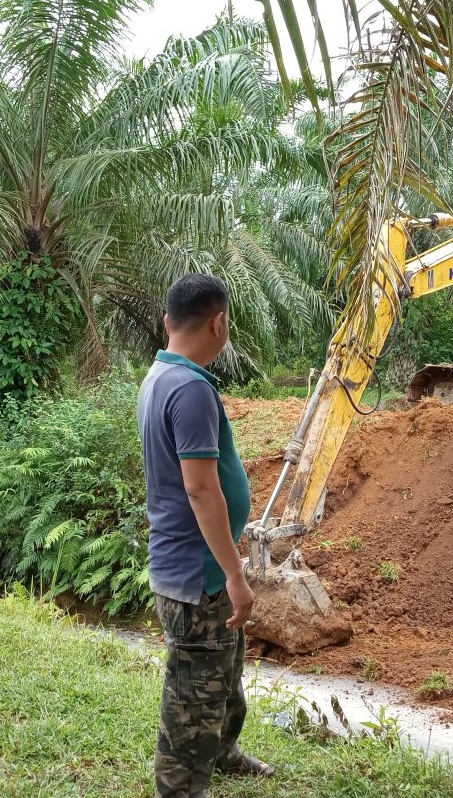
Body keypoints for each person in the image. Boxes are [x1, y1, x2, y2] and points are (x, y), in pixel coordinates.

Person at [137, 274, 274, 798]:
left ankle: (224, 750)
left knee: (224, 667)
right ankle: (179, 787)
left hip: (194, 568)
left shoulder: (162, 374)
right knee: (193, 690)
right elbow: (200, 491)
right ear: (218, 322)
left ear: (170, 321)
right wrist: (236, 574)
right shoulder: (190, 388)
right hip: (200, 575)